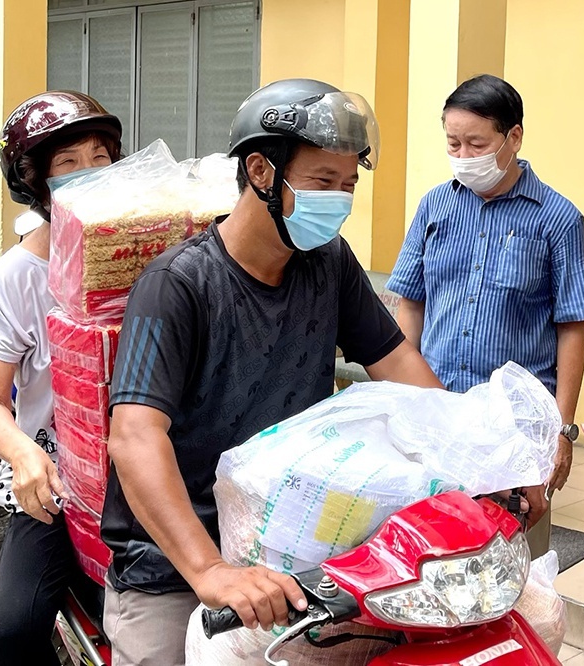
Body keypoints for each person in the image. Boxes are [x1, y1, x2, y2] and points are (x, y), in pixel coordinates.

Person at [99, 78, 444, 666]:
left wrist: (473, 457)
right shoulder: (176, 285)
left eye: (348, 185)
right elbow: (134, 436)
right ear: (261, 171)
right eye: (322, 182)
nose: (339, 200)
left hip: (292, 545)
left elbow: (398, 362)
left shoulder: (328, 263)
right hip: (176, 564)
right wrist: (210, 570)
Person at [386, 74, 584, 556]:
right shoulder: (434, 206)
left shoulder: (558, 219)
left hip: (514, 430)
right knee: (430, 556)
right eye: (453, 143)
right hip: (438, 413)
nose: (464, 155)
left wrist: (562, 431)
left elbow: (572, 327)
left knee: (510, 562)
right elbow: (411, 303)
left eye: (477, 144)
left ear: (514, 137)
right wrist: (402, 399)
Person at [0, 91, 122, 665]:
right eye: (68, 163)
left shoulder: (148, 254)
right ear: (36, 183)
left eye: (100, 158)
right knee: (13, 632)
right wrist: (25, 456)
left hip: (147, 467)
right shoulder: (15, 278)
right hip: (57, 483)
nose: (90, 174)